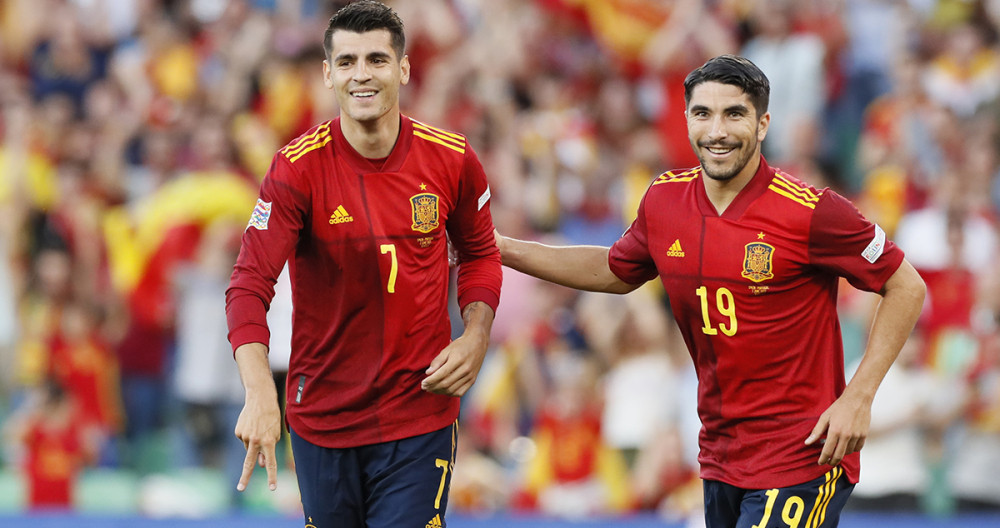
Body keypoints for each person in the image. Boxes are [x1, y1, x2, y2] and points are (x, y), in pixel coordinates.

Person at [495, 55, 926, 528]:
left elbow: (905, 284)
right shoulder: (664, 200)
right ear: (686, 120)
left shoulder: (813, 211)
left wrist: (858, 398)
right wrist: (503, 249)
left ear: (762, 124)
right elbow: (615, 269)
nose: (716, 130)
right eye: (703, 114)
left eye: (734, 114)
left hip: (802, 455)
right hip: (720, 455)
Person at [224, 2, 502, 527]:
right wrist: (260, 389)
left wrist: (476, 336)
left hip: (419, 413)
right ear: (328, 74)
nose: (362, 75)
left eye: (377, 59)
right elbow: (248, 284)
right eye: (347, 62)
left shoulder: (452, 159)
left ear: (403, 68)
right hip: (322, 416)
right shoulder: (297, 169)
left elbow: (481, 253)